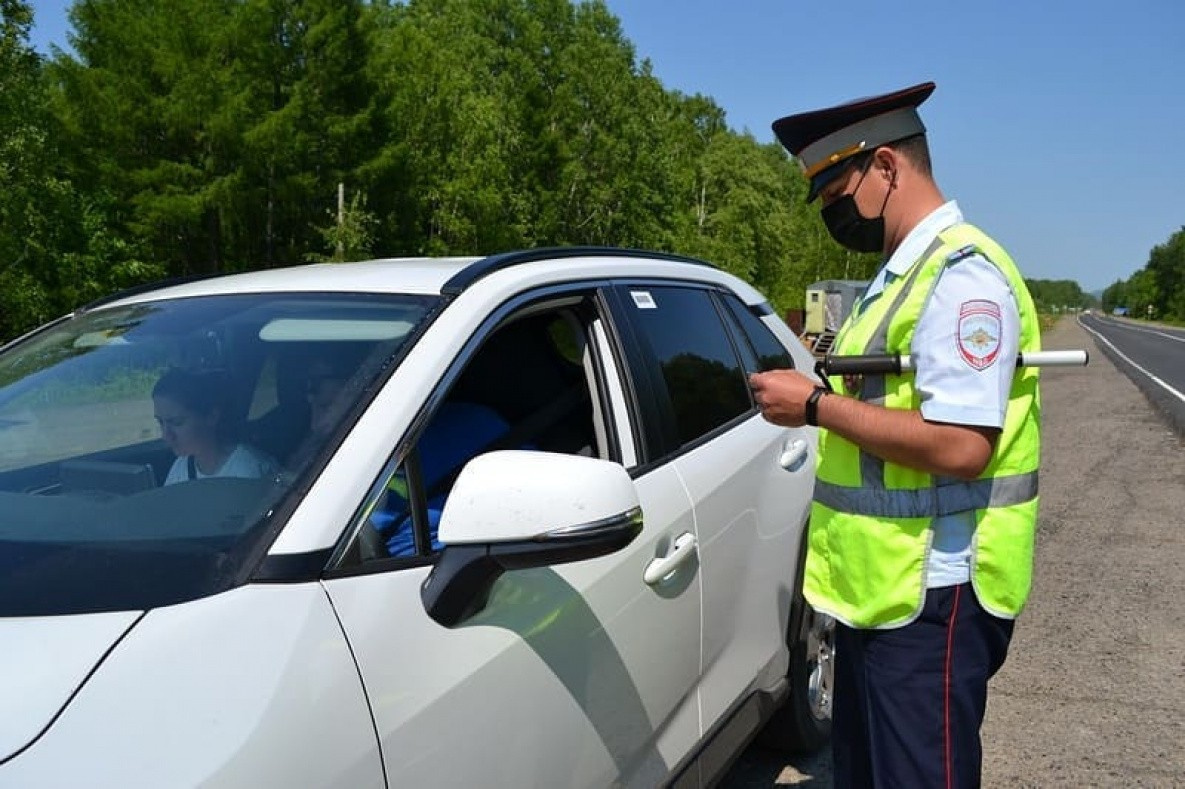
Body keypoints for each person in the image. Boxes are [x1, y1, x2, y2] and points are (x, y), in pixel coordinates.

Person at [749, 82, 1041, 788]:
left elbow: (962, 446)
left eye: (833, 192)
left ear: (885, 167)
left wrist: (816, 407)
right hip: (881, 592)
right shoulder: (895, 276)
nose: (830, 213)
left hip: (931, 596)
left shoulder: (959, 280)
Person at [152, 368, 279, 485]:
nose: (166, 435)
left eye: (177, 422)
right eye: (160, 423)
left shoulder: (249, 470)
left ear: (211, 416)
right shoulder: (181, 468)